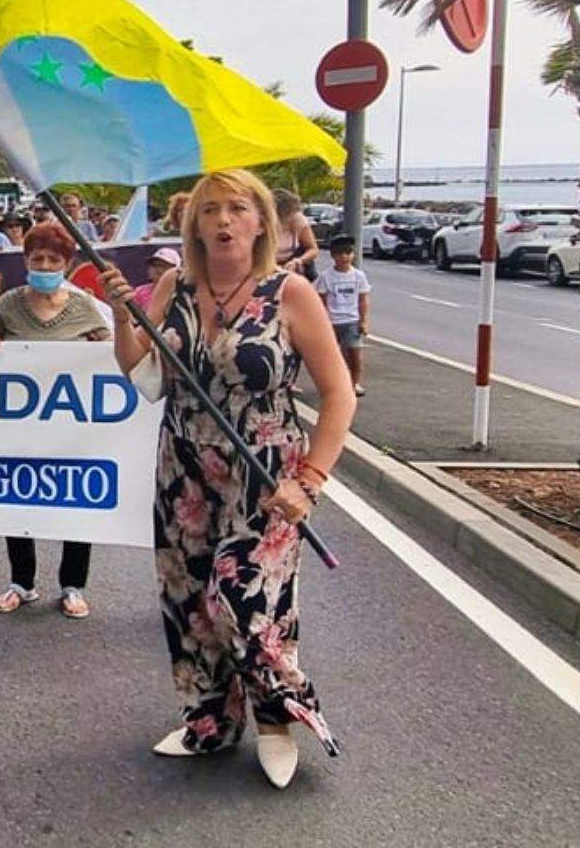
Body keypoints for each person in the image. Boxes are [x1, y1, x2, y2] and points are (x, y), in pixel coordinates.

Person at [103, 168, 355, 789]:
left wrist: (310, 480)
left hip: (266, 471)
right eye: (210, 210)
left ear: (262, 221)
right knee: (188, 600)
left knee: (241, 596)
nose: (222, 221)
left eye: (237, 208)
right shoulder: (174, 286)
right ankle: (209, 720)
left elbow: (339, 394)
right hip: (183, 463)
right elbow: (139, 369)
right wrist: (120, 315)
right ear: (193, 224)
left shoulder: (291, 293)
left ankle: (279, 716)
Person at [0, 222, 110, 619]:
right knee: (18, 500)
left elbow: (115, 352)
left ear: (67, 263)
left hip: (73, 430)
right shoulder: (8, 304)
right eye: (37, 259)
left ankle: (73, 585)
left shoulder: (84, 306)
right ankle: (22, 582)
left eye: (53, 259)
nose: (45, 265)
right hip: (20, 428)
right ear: (26, 261)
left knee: (74, 501)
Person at [316, 235, 370, 397]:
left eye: (348, 253)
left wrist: (364, 321)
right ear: (333, 256)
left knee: (355, 356)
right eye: (340, 254)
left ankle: (353, 384)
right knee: (333, 357)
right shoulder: (326, 276)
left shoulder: (358, 276)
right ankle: (331, 385)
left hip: (351, 321)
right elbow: (322, 300)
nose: (345, 257)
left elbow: (363, 299)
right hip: (332, 322)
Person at [272, 189, 320, 281]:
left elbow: (313, 249)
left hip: (292, 265)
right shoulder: (262, 223)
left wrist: (299, 261)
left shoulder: (297, 219)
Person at [133, 246, 182, 311]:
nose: (158, 270)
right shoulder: (139, 292)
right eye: (154, 265)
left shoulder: (182, 295)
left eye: (163, 266)